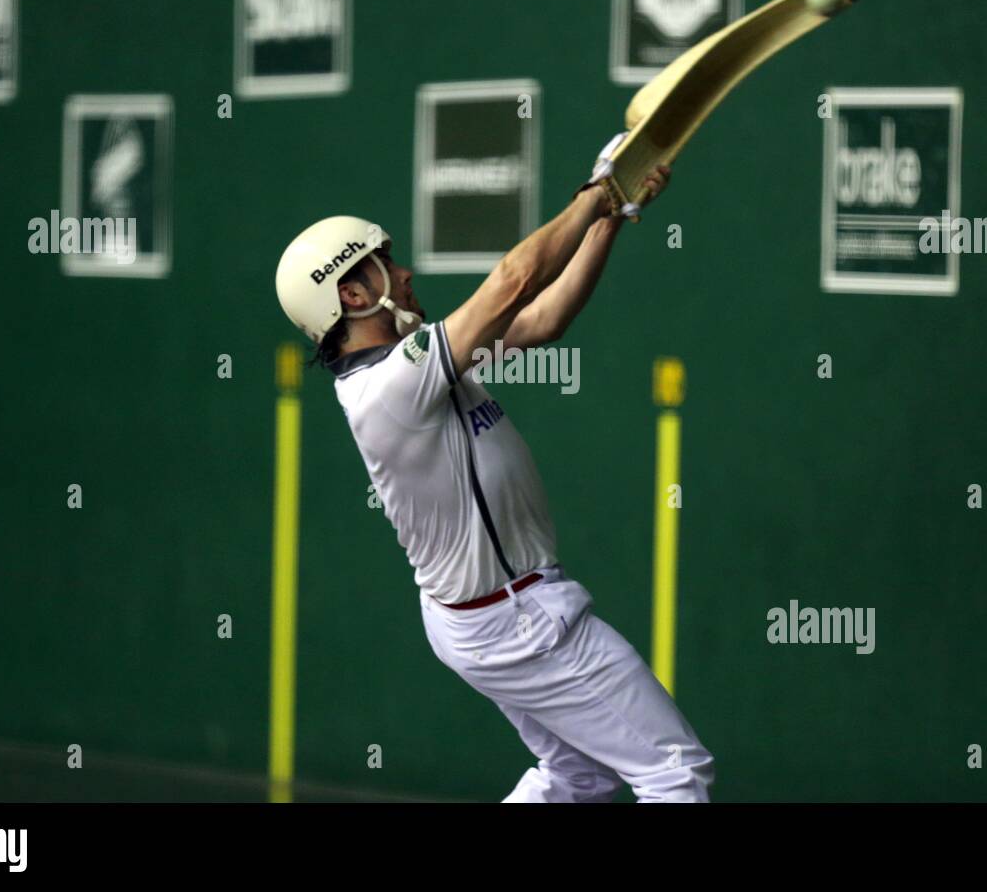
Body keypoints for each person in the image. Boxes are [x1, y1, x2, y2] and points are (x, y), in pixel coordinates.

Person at [274, 142, 713, 802]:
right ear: (353, 292)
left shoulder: (411, 367)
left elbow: (541, 318)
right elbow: (514, 281)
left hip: (479, 620)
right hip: (520, 623)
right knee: (675, 770)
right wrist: (596, 191)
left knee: (577, 775)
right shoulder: (394, 383)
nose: (407, 271)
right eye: (386, 264)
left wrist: (612, 214)